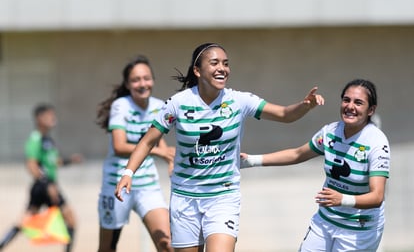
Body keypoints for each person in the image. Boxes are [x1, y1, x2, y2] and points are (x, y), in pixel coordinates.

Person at [114, 42, 324, 252]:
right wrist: (129, 172)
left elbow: (285, 114)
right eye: (214, 63)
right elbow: (147, 141)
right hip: (185, 199)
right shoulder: (177, 103)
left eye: (225, 63)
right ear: (197, 70)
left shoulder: (239, 101)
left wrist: (305, 105)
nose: (222, 68)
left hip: (223, 198)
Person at [241, 79, 390, 252]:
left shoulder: (377, 143)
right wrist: (252, 160)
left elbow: (377, 197)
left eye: (358, 102)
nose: (350, 106)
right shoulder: (330, 132)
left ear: (371, 110)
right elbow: (297, 154)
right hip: (325, 221)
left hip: (359, 230)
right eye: (346, 100)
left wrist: (343, 199)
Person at [96, 55, 175, 252]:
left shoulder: (159, 106)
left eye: (146, 78)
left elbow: (160, 145)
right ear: (127, 84)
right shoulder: (121, 106)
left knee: (168, 244)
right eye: (136, 79)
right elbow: (119, 146)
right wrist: (158, 151)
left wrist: (172, 159)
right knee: (107, 248)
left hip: (147, 185)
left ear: (153, 80)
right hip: (117, 186)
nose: (142, 84)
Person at [0, 103, 82, 252]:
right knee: (71, 220)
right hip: (44, 186)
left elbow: (54, 162)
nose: (53, 118)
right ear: (39, 118)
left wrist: (70, 160)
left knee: (24, 221)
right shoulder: (35, 139)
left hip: (45, 186)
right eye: (49, 116)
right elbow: (32, 165)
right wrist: (48, 184)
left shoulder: (48, 140)